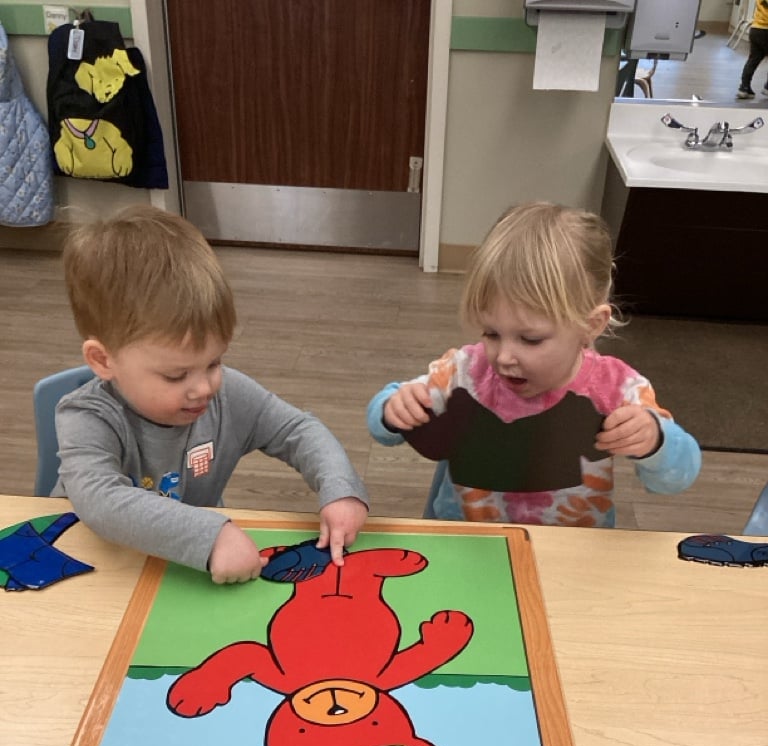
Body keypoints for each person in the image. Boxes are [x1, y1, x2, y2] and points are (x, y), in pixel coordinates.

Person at [53, 205, 368, 582]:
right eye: (176, 375)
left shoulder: (227, 395)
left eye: (214, 362)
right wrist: (209, 535)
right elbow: (100, 501)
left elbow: (298, 430)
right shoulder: (85, 416)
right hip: (91, 568)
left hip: (181, 569)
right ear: (103, 360)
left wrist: (340, 489)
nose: (204, 388)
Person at [366, 201, 701, 527]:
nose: (503, 356)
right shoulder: (466, 370)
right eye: (491, 333)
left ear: (591, 326)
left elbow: (676, 478)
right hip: (467, 542)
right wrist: (392, 409)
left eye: (530, 340)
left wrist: (655, 440)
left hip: (570, 553)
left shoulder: (617, 388)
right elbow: (384, 426)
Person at [736, 0, 768, 99]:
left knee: (753, 59)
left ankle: (744, 87)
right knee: (754, 59)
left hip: (756, 28)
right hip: (766, 29)